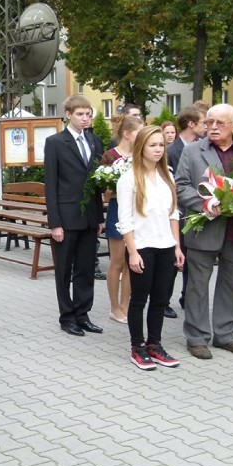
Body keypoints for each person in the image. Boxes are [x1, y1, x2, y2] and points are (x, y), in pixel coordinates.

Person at [175, 103, 233, 359]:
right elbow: (180, 186)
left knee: (231, 284)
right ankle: (197, 337)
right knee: (197, 287)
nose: (212, 127)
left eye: (219, 123)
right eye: (209, 121)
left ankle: (224, 334)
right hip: (204, 229)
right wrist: (205, 202)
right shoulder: (192, 151)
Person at [117, 126, 185, 370]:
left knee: (160, 300)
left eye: (161, 145)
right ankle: (138, 347)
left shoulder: (167, 175)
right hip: (142, 247)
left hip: (166, 246)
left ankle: (155, 345)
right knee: (139, 300)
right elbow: (125, 219)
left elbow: (173, 213)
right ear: (141, 147)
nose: (158, 149)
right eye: (152, 145)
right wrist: (132, 252)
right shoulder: (129, 179)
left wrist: (177, 246)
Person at [44, 94, 106, 337]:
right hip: (67, 217)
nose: (85, 118)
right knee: (64, 269)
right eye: (80, 114)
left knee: (86, 268)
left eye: (88, 114)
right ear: (69, 115)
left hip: (89, 216)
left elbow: (98, 182)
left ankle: (83, 313)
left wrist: (99, 217)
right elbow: (51, 184)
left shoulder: (95, 141)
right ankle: (67, 316)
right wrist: (55, 223)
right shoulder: (56, 142)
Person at [102, 115, 142, 323]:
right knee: (117, 261)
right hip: (118, 209)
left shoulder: (141, 155)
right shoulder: (110, 156)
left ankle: (126, 305)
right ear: (126, 134)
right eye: (138, 132)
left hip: (138, 211)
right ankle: (114, 306)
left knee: (130, 262)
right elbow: (104, 190)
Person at [166, 106, 206, 311]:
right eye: (203, 122)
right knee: (174, 259)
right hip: (177, 212)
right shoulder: (172, 151)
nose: (207, 126)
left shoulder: (200, 148)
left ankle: (187, 297)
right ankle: (164, 301)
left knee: (192, 257)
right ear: (191, 124)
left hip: (196, 212)